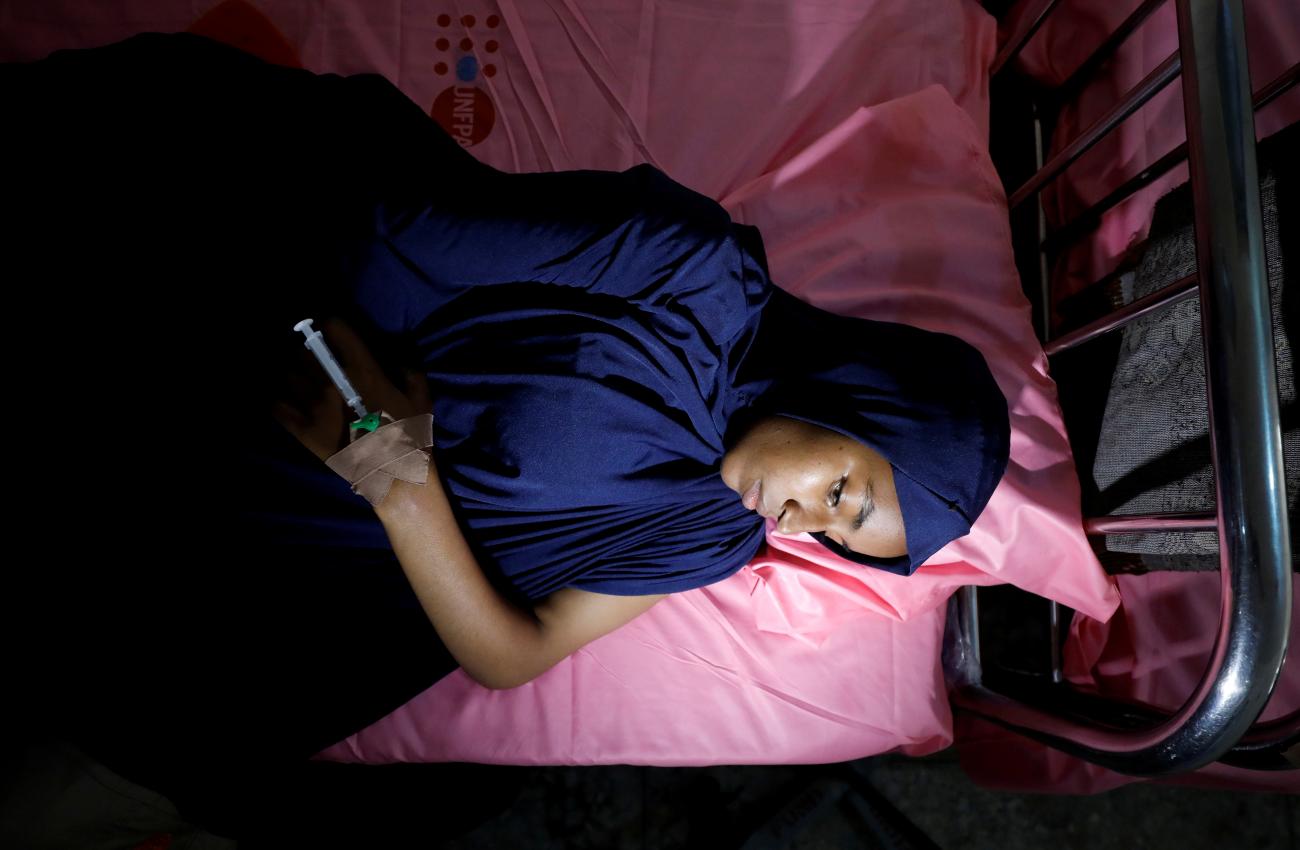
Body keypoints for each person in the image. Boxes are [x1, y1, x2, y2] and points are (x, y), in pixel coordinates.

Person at [4, 32, 1009, 832]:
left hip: (365, 515)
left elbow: (516, 654)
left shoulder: (708, 537)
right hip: (333, 300)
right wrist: (348, 384)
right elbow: (402, 225)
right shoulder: (691, 271)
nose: (797, 523)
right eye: (841, 494)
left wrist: (401, 487)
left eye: (830, 535)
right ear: (865, 400)